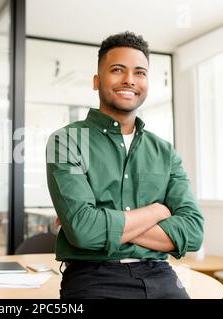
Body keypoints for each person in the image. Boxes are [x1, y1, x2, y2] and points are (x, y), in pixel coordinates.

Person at [46, 31, 204, 299]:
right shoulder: (67, 141)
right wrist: (157, 210)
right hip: (93, 278)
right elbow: (84, 232)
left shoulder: (165, 152)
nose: (129, 79)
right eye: (117, 70)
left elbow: (193, 232)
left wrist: (103, 222)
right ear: (97, 81)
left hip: (160, 274)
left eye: (139, 72)